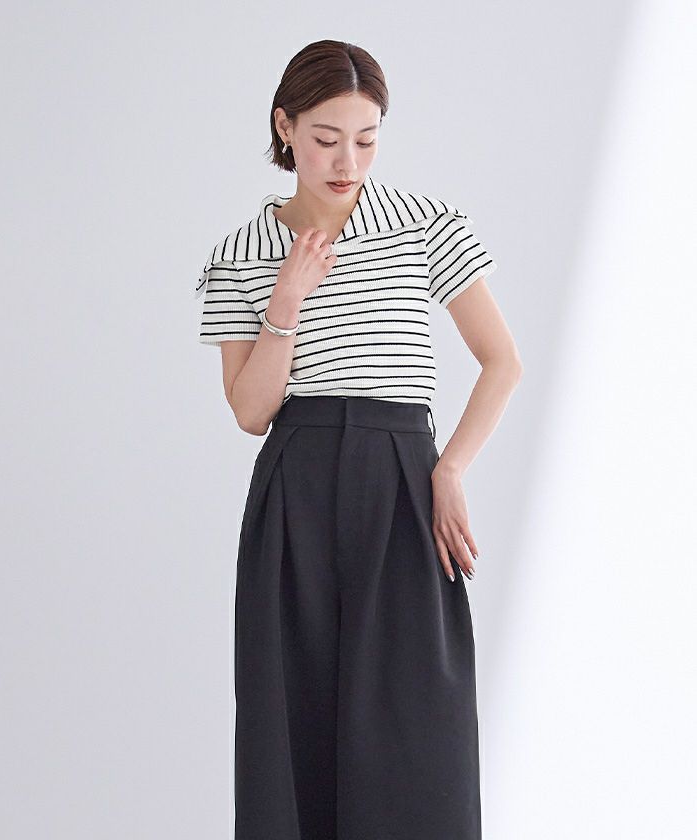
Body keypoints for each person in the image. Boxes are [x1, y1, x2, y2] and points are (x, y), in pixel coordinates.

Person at [194, 39, 523, 840]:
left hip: (403, 479)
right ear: (285, 128)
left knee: (418, 722)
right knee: (293, 717)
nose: (348, 162)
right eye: (326, 139)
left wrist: (448, 471)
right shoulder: (239, 254)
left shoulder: (424, 224)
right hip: (296, 487)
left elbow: (502, 361)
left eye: (367, 139)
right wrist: (287, 299)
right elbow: (251, 412)